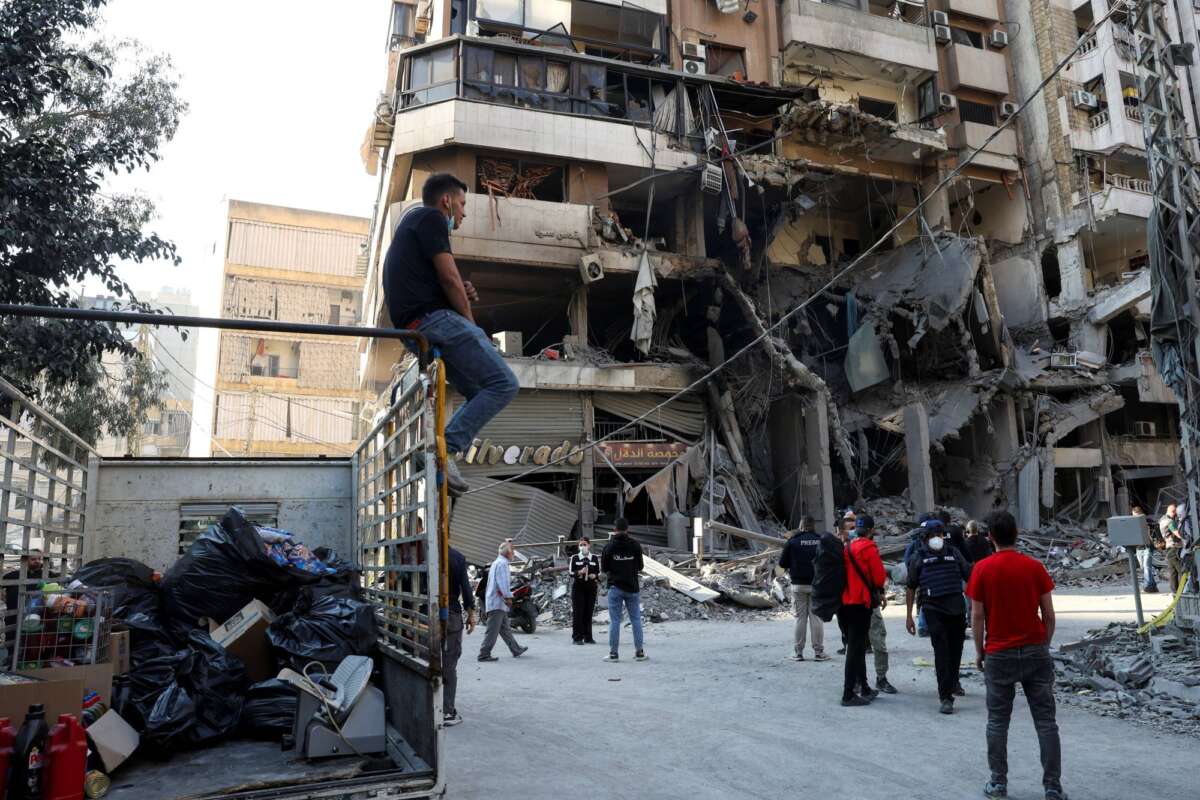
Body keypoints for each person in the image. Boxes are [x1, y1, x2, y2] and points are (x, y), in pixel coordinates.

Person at [383, 172, 519, 496]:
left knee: (479, 390)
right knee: (504, 384)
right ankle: (444, 452)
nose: (464, 213)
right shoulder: (431, 218)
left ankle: (441, 453)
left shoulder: (413, 225)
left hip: (417, 327)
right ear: (446, 200)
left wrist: (458, 291)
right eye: (462, 204)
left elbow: (444, 282)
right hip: (432, 322)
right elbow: (449, 278)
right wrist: (471, 325)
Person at [968, 511, 1065, 800]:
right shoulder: (1034, 567)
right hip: (1035, 650)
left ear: (990, 537)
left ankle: (998, 784)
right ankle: (1052, 787)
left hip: (998, 653)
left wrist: (979, 651)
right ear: (1017, 534)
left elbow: (977, 616)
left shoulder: (981, 569)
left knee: (998, 721)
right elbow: (1049, 614)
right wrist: (1043, 644)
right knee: (1046, 722)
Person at [907, 519, 973, 714]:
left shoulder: (954, 553)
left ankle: (953, 681)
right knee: (942, 651)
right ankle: (945, 697)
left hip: (956, 609)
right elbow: (911, 587)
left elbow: (970, 576)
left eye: (939, 534)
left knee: (956, 650)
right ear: (925, 538)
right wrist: (909, 616)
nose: (936, 538)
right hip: (933, 610)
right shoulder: (918, 557)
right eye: (932, 535)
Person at [839, 518, 886, 707]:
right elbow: (879, 577)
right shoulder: (869, 548)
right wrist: (880, 591)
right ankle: (848, 694)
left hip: (843, 604)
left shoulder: (847, 547)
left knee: (857, 646)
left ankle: (864, 687)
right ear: (871, 530)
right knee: (854, 649)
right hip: (859, 603)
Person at [779, 517, 827, 662]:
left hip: (798, 585)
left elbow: (782, 563)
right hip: (817, 585)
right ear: (813, 526)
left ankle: (798, 653)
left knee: (800, 618)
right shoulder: (821, 541)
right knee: (816, 618)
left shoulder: (793, 541)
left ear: (801, 526)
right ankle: (819, 653)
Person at [602, 518, 647, 662]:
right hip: (632, 587)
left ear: (614, 530)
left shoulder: (609, 547)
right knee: (636, 619)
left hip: (615, 587)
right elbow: (640, 566)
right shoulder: (635, 545)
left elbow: (604, 568)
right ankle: (639, 652)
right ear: (627, 529)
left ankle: (613, 654)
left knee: (615, 621)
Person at [477, 540, 528, 662]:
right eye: (513, 552)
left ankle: (516, 649)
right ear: (508, 553)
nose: (514, 554)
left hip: (497, 601)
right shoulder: (502, 564)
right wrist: (508, 597)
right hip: (497, 602)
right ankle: (484, 654)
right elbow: (502, 583)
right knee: (492, 631)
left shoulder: (497, 562)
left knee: (505, 629)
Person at [443, 546, 476, 725]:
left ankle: (429, 705)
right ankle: (447, 711)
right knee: (449, 664)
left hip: (423, 615)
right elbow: (466, 588)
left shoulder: (419, 552)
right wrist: (471, 614)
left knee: (426, 660)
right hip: (451, 615)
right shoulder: (456, 557)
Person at [3, 550, 57, 650]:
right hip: (14, 615)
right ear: (25, 561)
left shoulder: (47, 574)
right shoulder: (14, 575)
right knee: (12, 641)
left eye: (39, 559)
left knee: (33, 643)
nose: (37, 561)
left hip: (37, 616)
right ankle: (12, 657)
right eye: (33, 559)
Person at [569, 537, 600, 645]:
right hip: (578, 587)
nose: (583, 547)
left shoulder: (594, 558)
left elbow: (599, 572)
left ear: (589, 545)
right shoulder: (575, 557)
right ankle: (577, 637)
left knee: (588, 612)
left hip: (591, 587)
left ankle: (588, 637)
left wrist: (594, 575)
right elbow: (571, 572)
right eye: (581, 545)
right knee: (578, 612)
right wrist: (579, 572)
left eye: (585, 544)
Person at [1131, 506, 1159, 593]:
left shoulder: (1148, 522)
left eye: (1136, 515)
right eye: (1133, 515)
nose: (1134, 517)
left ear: (1141, 514)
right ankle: (1153, 586)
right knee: (1144, 568)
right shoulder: (1132, 524)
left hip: (1148, 547)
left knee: (1147, 567)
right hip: (1138, 548)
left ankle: (1147, 586)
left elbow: (1154, 531)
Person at [1161, 503, 1185, 592]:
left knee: (1172, 573)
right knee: (1181, 571)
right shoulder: (1170, 521)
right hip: (1174, 549)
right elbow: (1177, 534)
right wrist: (1186, 537)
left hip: (1168, 549)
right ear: (1173, 512)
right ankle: (1182, 592)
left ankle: (1175, 593)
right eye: (1176, 514)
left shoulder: (1162, 519)